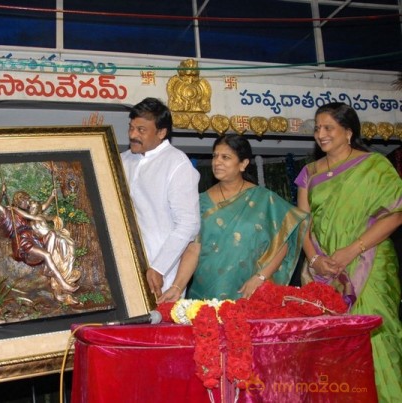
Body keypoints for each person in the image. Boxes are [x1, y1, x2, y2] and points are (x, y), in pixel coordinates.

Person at [294, 102, 402, 402]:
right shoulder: (309, 173)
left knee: (376, 337)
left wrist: (351, 251)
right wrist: (316, 259)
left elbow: (395, 214)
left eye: (328, 127)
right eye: (317, 128)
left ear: (348, 131)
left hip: (369, 262)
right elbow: (303, 223)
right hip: (324, 272)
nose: (320, 134)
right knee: (330, 347)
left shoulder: (375, 165)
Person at [159, 134, 308, 303]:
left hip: (247, 290)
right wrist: (177, 287)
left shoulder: (263, 199)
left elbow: (282, 243)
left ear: (243, 164)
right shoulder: (200, 201)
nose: (217, 162)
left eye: (225, 157)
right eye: (215, 156)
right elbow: (193, 249)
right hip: (205, 290)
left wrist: (260, 277)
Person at [120, 97, 200, 299]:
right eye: (131, 128)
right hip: (124, 266)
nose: (133, 135)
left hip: (162, 273)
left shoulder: (177, 164)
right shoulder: (122, 159)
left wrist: (159, 266)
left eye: (141, 130)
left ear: (162, 133)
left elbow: (188, 224)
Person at [0, 185, 80, 297]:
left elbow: (41, 208)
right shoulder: (9, 211)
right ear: (19, 200)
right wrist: (2, 192)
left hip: (33, 238)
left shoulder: (26, 214)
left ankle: (47, 267)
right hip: (23, 242)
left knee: (52, 234)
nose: (28, 202)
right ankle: (63, 283)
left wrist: (51, 197)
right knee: (47, 254)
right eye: (26, 200)